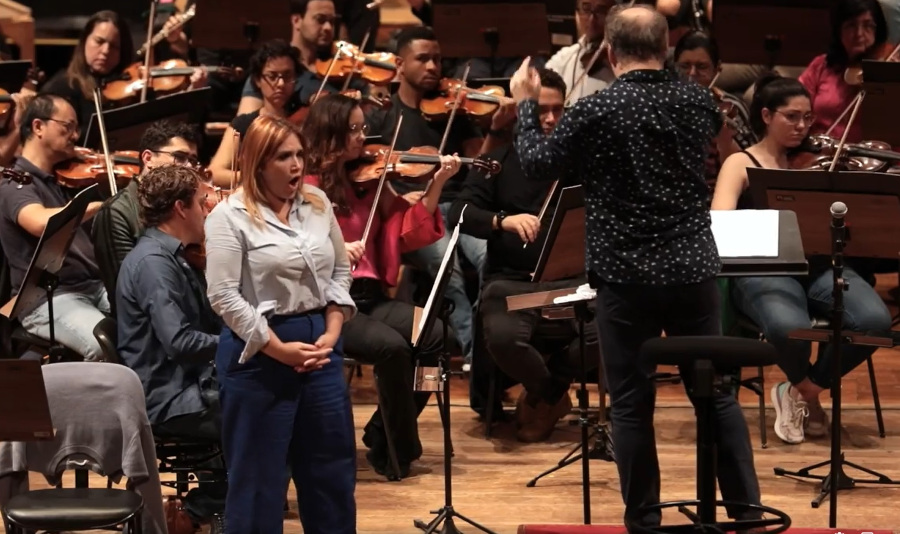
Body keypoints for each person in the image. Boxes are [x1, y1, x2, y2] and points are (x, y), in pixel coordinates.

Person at [509, 5, 762, 528]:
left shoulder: (595, 108)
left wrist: (527, 105)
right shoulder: (699, 101)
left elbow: (536, 164)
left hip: (625, 278)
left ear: (609, 49)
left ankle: (644, 522)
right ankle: (745, 515)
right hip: (692, 270)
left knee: (629, 404)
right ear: (666, 47)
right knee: (714, 396)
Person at [712, 75, 893, 445]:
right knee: (787, 327)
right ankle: (810, 398)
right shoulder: (740, 163)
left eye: (808, 118)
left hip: (822, 266)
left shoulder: (820, 161)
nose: (802, 127)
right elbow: (720, 223)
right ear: (766, 115)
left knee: (875, 322)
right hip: (765, 269)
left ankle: (800, 392)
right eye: (792, 117)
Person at [205, 115, 356, 533]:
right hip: (259, 356)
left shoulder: (318, 203)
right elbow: (223, 296)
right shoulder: (228, 217)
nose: (296, 166)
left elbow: (340, 274)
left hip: (321, 349)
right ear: (257, 163)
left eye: (299, 155)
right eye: (284, 157)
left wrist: (332, 331)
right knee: (258, 484)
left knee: (331, 475)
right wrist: (276, 348)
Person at [302, 93, 461, 477]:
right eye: (353, 129)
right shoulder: (306, 189)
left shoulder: (371, 183)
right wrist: (338, 250)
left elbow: (407, 228)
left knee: (441, 339)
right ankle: (398, 450)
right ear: (331, 133)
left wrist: (436, 184)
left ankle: (381, 430)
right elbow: (299, 250)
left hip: (370, 298)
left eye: (362, 128)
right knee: (392, 350)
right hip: (331, 304)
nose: (362, 137)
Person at [450, 68, 601, 442]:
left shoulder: (581, 164)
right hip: (512, 283)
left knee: (613, 331)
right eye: (542, 110)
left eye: (557, 110)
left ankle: (543, 394)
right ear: (523, 112)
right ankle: (552, 395)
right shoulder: (499, 161)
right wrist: (503, 221)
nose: (550, 119)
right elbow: (460, 214)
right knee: (502, 338)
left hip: (572, 283)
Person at [366, 26, 502, 365]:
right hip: (416, 215)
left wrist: (496, 127)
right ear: (399, 64)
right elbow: (374, 174)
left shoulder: (455, 113)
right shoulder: (384, 116)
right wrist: (399, 197)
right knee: (449, 271)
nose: (433, 67)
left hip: (456, 207)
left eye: (437, 59)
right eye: (423, 59)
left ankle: (490, 348)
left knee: (492, 259)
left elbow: (478, 165)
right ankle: (475, 358)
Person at [0, 94, 108, 361]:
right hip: (47, 299)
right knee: (100, 346)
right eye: (67, 127)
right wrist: (95, 205)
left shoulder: (64, 178)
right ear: (38, 127)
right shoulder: (15, 183)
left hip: (93, 285)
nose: (75, 135)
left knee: (148, 317)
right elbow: (40, 223)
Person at [117, 165, 220, 440]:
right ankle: (227, 484)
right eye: (201, 204)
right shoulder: (153, 263)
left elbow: (207, 320)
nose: (207, 212)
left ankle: (224, 483)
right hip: (173, 401)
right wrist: (241, 343)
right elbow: (180, 342)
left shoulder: (174, 255)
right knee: (270, 415)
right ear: (181, 208)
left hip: (193, 383)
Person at [92, 119, 202, 308]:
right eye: (180, 157)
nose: (189, 167)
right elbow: (127, 290)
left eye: (192, 160)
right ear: (148, 158)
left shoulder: (186, 206)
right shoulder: (116, 212)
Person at [235, 0, 367, 116]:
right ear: (296, 20)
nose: (328, 28)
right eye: (320, 19)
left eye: (332, 21)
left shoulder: (344, 70)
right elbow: (244, 127)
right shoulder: (273, 69)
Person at [209, 39, 301, 188]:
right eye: (272, 76)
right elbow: (215, 172)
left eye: (287, 76)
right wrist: (260, 177)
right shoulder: (244, 124)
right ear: (258, 80)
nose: (281, 84)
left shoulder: (303, 120)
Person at [673, 31, 753, 190]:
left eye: (701, 67)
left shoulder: (730, 107)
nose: (692, 74)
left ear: (717, 69)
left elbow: (750, 162)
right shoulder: (661, 105)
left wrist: (724, 137)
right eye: (685, 66)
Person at [799, 0, 889, 143]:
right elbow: (797, 104)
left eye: (867, 25)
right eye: (851, 25)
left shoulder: (887, 70)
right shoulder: (822, 65)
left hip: (874, 159)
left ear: (878, 31)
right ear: (838, 30)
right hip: (820, 155)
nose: (859, 33)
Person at [39, 11, 135, 138]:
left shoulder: (128, 86)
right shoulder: (62, 87)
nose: (106, 51)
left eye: (114, 46)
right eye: (99, 41)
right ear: (84, 40)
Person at [545, 0, 617, 104]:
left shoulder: (620, 57)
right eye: (586, 9)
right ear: (577, 14)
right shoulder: (565, 57)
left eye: (601, 11)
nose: (592, 19)